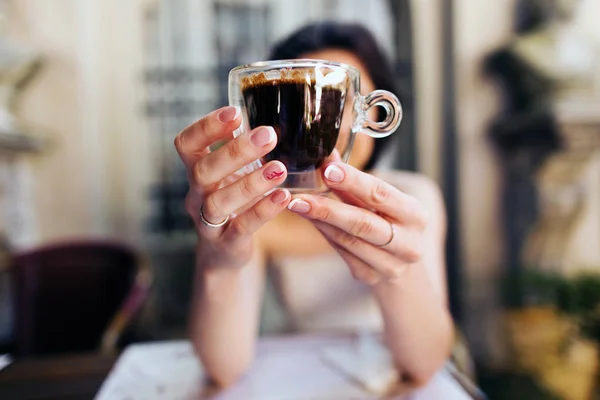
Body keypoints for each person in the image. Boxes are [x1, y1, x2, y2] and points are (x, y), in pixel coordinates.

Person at [174, 22, 454, 388]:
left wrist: (395, 274)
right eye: (300, 102)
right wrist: (217, 260)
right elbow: (223, 368)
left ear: (372, 114)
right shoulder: (256, 213)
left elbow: (425, 364)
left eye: (338, 99)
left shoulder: (413, 198)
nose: (322, 123)